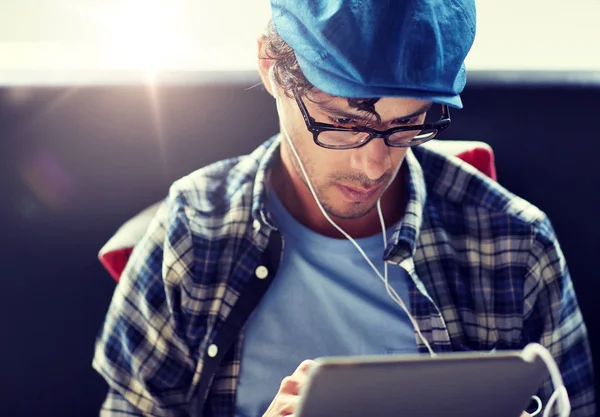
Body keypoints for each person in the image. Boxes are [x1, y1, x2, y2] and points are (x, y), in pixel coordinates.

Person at [93, 0, 595, 416]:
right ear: (271, 67)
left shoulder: (515, 245)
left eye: (408, 124)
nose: (374, 164)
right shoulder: (191, 232)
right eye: (342, 121)